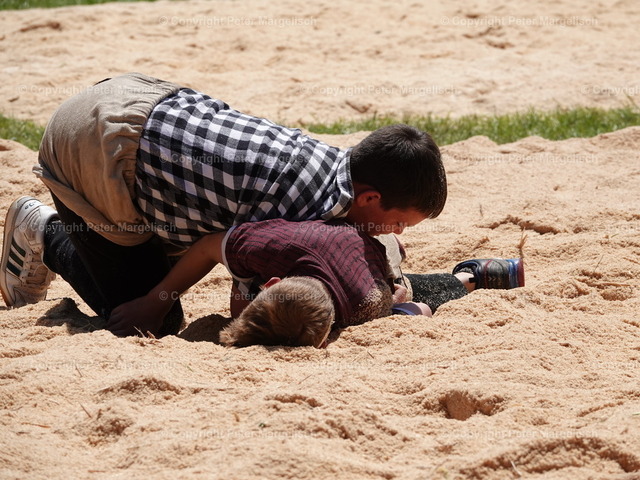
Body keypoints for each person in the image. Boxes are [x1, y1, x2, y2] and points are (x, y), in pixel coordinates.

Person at [0, 72, 447, 336]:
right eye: (399, 223)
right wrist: (156, 301)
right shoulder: (297, 208)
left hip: (142, 98)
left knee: (169, 243)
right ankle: (45, 232)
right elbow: (220, 256)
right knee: (152, 321)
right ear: (369, 197)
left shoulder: (341, 168)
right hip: (98, 144)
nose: (396, 234)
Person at [0, 197, 524, 347]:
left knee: (405, 298)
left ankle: (471, 276)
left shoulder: (365, 305)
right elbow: (208, 246)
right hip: (356, 246)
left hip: (376, 251)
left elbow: (412, 308)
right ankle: (470, 277)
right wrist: (156, 300)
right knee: (403, 296)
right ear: (270, 282)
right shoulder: (270, 245)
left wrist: (420, 307)